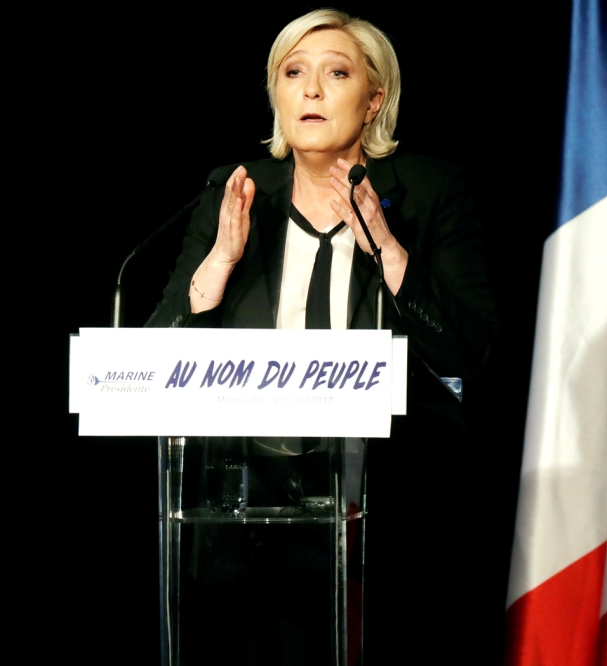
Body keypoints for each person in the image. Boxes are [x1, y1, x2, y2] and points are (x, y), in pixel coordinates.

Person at [148, 8, 499, 664]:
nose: (310, 90)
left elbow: (470, 356)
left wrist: (390, 251)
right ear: (275, 94)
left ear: (374, 101)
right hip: (248, 524)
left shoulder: (429, 192)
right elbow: (154, 357)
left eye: (335, 73)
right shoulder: (237, 193)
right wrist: (217, 265)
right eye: (293, 73)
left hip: (395, 523)